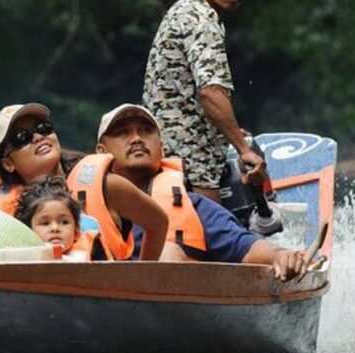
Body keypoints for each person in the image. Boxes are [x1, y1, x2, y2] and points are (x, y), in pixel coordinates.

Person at [96, 104, 308, 280]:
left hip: (174, 311)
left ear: (162, 148)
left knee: (165, 252)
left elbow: (246, 246)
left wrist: (280, 255)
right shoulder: (73, 205)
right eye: (123, 132)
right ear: (101, 151)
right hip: (98, 302)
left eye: (146, 131)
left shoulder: (193, 206)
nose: (136, 139)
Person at [142, 0, 267, 204]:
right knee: (208, 239)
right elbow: (211, 93)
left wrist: (231, 132)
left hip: (165, 152)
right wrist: (244, 149)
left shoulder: (182, 10)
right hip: (191, 163)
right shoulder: (202, 20)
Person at [0, 103, 168, 260]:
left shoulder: (106, 185)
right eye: (22, 137)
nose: (38, 137)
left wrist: (142, 275)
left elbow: (158, 222)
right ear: (8, 163)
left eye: (43, 128)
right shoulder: (6, 213)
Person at [14, 180, 95, 260]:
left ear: (76, 231)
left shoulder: (92, 254)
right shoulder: (21, 260)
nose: (55, 228)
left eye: (64, 222)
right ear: (29, 231)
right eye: (45, 223)